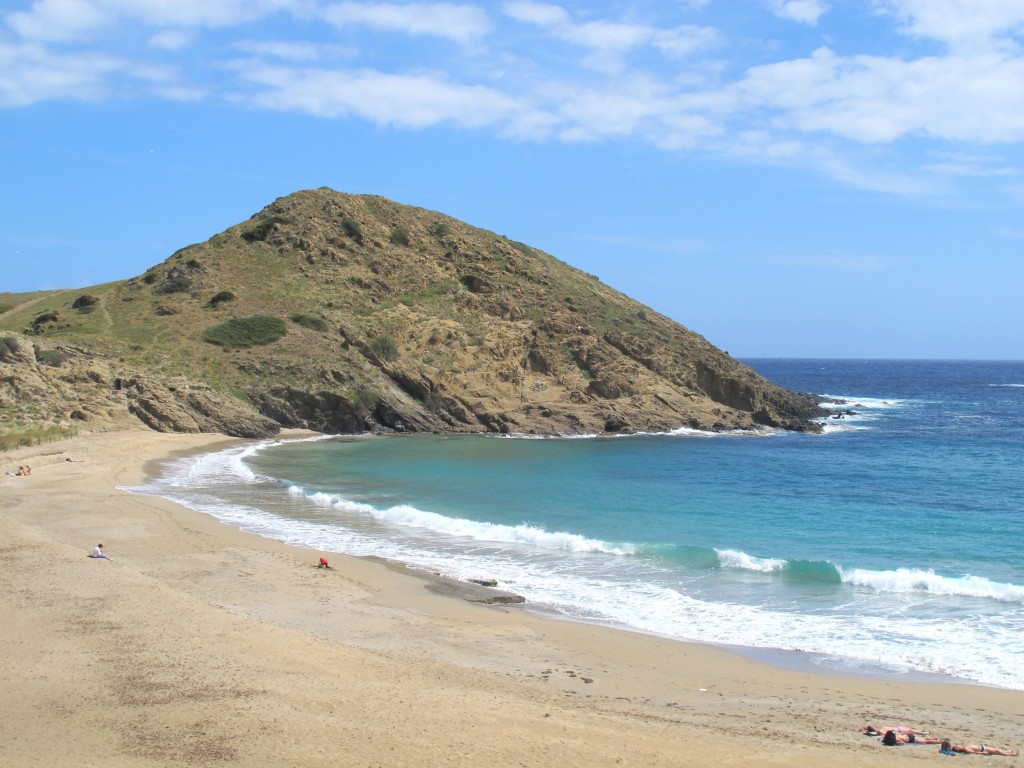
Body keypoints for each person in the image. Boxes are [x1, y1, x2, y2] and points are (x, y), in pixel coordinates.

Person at [941, 740, 1019, 756]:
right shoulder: (966, 749)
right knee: (997, 751)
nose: (958, 745)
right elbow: (974, 752)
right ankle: (1012, 754)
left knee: (996, 749)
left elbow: (956, 745)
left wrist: (953, 746)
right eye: (957, 746)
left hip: (983, 747)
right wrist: (983, 753)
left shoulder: (964, 747)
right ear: (958, 749)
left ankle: (1008, 751)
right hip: (983, 749)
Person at [863, 725, 930, 737]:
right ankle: (925, 732)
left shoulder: (880, 730)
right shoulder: (880, 731)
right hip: (899, 729)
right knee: (913, 731)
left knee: (913, 731)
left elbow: (868, 730)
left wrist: (867, 731)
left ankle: (924, 732)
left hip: (899, 729)